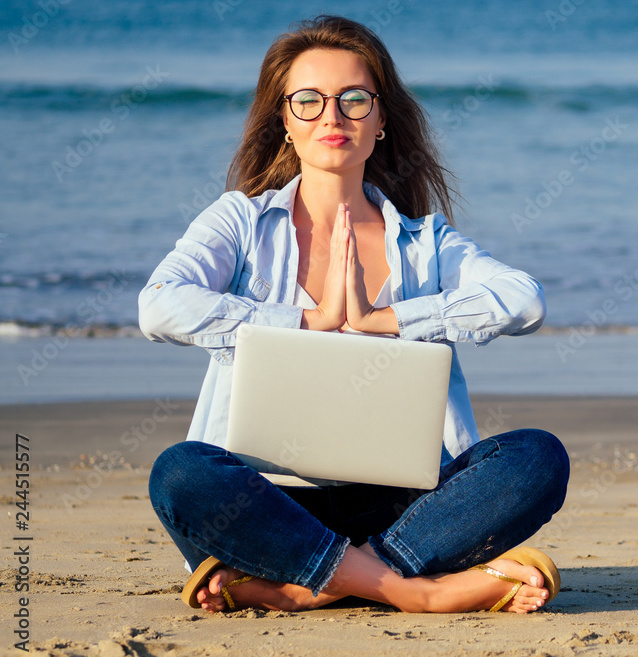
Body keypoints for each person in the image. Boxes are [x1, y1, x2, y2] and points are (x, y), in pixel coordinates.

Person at [139, 15, 569, 614]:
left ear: (382, 120)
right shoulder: (239, 221)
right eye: (308, 101)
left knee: (537, 458)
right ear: (284, 122)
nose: (332, 117)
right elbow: (159, 303)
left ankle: (304, 583)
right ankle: (411, 589)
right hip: (269, 501)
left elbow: (524, 301)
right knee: (180, 474)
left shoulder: (427, 242)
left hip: (402, 504)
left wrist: (386, 320)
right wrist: (307, 323)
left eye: (354, 100)